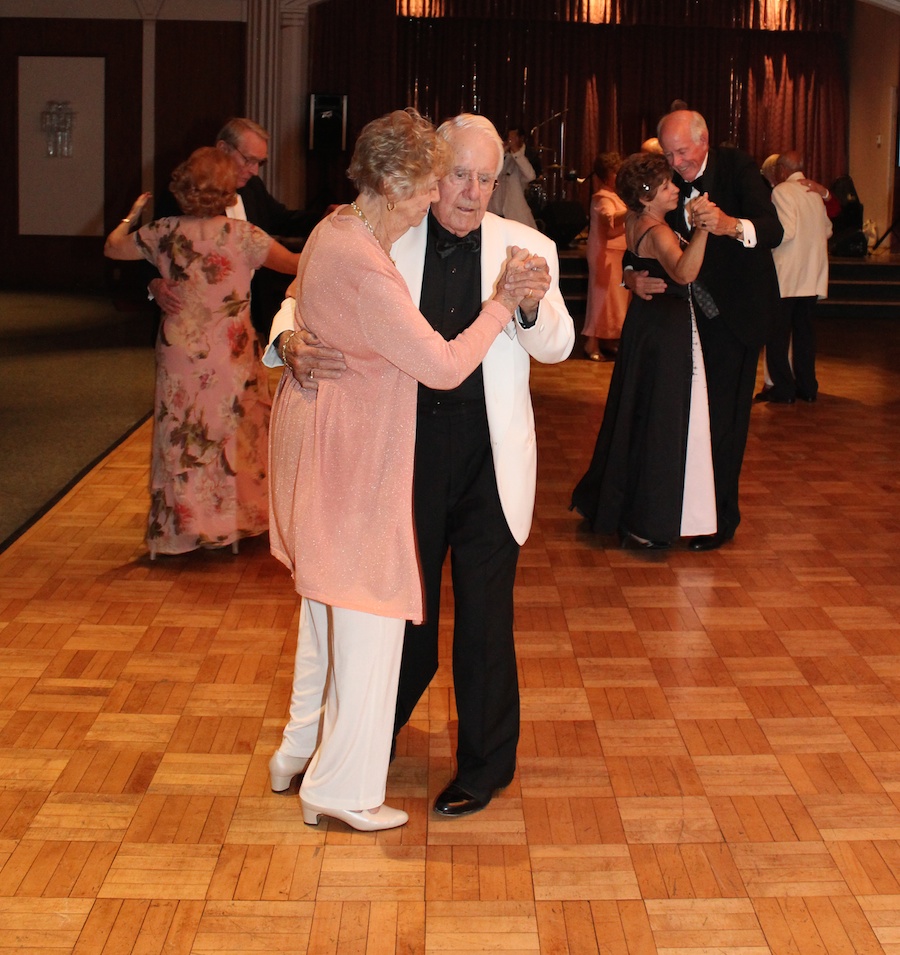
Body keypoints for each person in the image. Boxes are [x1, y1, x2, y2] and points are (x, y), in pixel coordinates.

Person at [269, 113, 575, 818]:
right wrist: (287, 341)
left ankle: (484, 766)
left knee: (486, 621)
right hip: (398, 454)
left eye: (484, 178)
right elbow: (300, 299)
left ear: (499, 182)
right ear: (432, 177)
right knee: (398, 617)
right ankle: (365, 744)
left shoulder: (526, 246)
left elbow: (556, 344)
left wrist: (527, 308)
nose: (470, 191)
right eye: (457, 175)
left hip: (489, 457)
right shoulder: (386, 229)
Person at [104, 147, 299, 557]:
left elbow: (112, 247)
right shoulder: (244, 236)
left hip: (179, 353)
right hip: (230, 355)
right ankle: (230, 526)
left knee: (180, 435)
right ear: (228, 192)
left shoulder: (162, 231)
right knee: (232, 435)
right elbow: (296, 264)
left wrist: (133, 214)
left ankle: (178, 531)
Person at [628, 109, 783, 551]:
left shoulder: (737, 167)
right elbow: (640, 226)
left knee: (724, 424)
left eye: (683, 151)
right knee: (684, 421)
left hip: (734, 319)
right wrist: (628, 275)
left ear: (705, 139)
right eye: (669, 153)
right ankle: (679, 510)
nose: (676, 163)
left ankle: (720, 520)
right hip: (681, 323)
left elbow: (773, 230)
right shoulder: (666, 176)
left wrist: (730, 226)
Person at [571, 152, 717, 547]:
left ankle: (626, 506)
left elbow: (634, 262)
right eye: (668, 185)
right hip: (667, 329)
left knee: (637, 411)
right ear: (649, 193)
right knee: (662, 420)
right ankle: (648, 519)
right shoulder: (658, 231)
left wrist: (631, 276)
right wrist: (702, 229)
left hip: (646, 326)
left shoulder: (636, 220)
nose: (675, 189)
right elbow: (685, 272)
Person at [150, 118, 321, 337]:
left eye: (260, 163)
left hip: (245, 314)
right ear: (223, 148)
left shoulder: (252, 187)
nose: (254, 171)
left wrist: (327, 218)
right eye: (249, 160)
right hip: (193, 319)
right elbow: (152, 246)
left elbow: (282, 218)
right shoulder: (185, 193)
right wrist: (154, 283)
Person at [756, 150, 833, 404]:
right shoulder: (813, 192)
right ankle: (808, 387)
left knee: (777, 335)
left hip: (787, 274)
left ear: (781, 170)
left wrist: (762, 239)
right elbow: (828, 230)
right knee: (805, 335)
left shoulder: (781, 191)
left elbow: (785, 232)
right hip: (812, 273)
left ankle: (783, 388)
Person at [582, 152, 629, 361]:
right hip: (605, 255)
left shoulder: (616, 196)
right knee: (601, 299)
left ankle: (609, 340)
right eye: (615, 173)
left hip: (618, 255)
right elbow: (609, 227)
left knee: (615, 301)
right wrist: (633, 210)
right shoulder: (602, 198)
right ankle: (591, 342)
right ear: (607, 175)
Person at [488, 125, 538, 228]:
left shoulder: (528, 155)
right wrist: (500, 153)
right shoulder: (504, 156)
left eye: (513, 138)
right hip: (495, 214)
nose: (511, 141)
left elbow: (530, 176)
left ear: (521, 139)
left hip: (515, 216)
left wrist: (516, 151)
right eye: (509, 138)